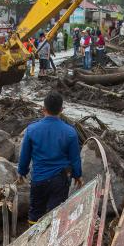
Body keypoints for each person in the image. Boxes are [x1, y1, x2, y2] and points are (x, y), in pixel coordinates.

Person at [17, 91, 82, 223]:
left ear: (43, 109)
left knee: (35, 212)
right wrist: (77, 175)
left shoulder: (32, 129)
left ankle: (33, 241)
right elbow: (75, 158)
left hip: (39, 179)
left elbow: (25, 155)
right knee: (56, 214)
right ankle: (52, 240)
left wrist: (21, 172)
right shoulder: (70, 132)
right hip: (60, 180)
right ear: (61, 110)